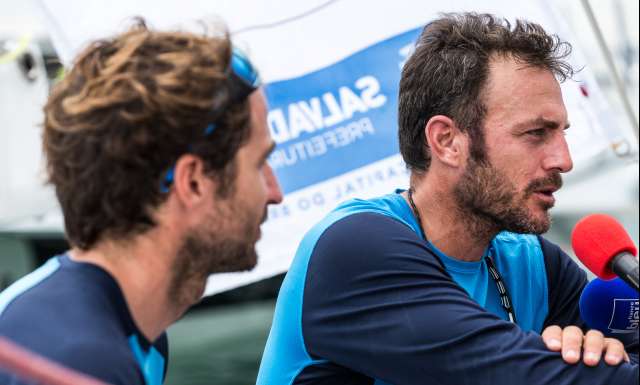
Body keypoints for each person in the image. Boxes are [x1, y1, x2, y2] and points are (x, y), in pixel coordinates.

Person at [257, 12, 638, 384]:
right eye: (536, 133)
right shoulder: (355, 249)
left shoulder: (532, 262)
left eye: (562, 134)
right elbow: (525, 374)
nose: (564, 160)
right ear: (446, 141)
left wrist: (596, 354)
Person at [0, 21, 282, 385]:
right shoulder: (79, 361)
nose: (274, 192)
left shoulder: (121, 333)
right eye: (259, 164)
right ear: (192, 182)